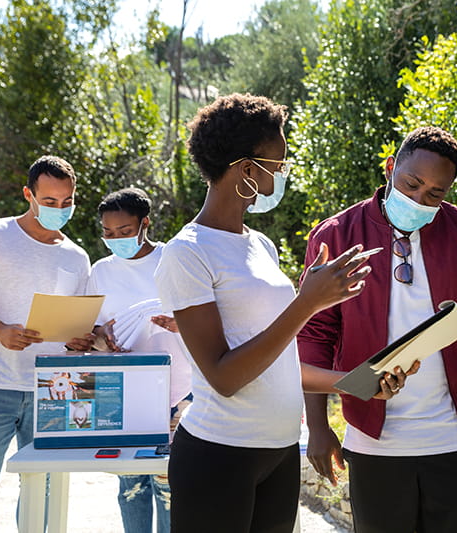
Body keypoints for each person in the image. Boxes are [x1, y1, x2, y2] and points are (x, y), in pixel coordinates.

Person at [153, 93, 403, 533]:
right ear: (247, 169)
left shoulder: (260, 245)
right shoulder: (186, 253)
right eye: (279, 165)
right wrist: (307, 303)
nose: (282, 175)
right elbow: (225, 378)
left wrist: (361, 383)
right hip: (219, 456)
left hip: (279, 452)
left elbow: (279, 360)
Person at [298, 126, 457, 533]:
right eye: (412, 183)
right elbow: (314, 334)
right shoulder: (336, 236)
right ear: (390, 168)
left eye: (435, 194)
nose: (419, 199)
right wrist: (319, 426)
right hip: (373, 443)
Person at [0, 155, 94, 532]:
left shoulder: (78, 258)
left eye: (67, 202)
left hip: (54, 392)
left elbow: (79, 326)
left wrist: (80, 341)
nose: (60, 209)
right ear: (29, 194)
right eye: (50, 201)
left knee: (43, 492)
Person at [85, 187, 193, 533]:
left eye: (124, 231)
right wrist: (102, 335)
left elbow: (204, 319)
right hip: (125, 393)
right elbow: (91, 332)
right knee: (130, 486)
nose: (114, 238)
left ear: (145, 223)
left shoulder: (173, 260)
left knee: (169, 484)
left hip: (178, 390)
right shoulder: (100, 271)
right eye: (107, 232)